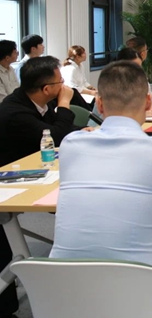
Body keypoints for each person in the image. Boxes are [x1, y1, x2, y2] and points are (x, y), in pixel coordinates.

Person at [50, 61, 152, 273]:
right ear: (148, 102)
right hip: (136, 286)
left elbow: (103, 192)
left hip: (60, 284)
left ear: (99, 104)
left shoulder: (70, 145)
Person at [0, 56, 83, 316]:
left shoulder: (34, 102)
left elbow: (53, 129)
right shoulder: (15, 111)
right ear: (47, 89)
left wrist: (84, 130)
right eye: (60, 82)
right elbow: (53, 136)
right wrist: (65, 103)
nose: (64, 86)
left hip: (28, 172)